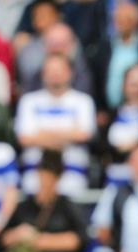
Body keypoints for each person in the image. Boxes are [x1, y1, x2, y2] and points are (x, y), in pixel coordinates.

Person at [15, 54, 96, 197]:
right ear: (43, 74)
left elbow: (84, 135)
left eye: (59, 70)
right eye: (50, 71)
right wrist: (68, 134)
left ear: (70, 73)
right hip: (34, 173)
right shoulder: (29, 101)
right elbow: (25, 138)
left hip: (72, 172)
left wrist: (41, 134)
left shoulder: (83, 101)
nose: (55, 75)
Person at [0, 151, 88, 252]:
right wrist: (18, 235)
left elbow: (79, 240)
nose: (45, 183)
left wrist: (39, 240)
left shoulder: (67, 207)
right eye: (42, 178)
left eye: (49, 179)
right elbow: (3, 239)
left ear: (57, 179)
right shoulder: (24, 207)